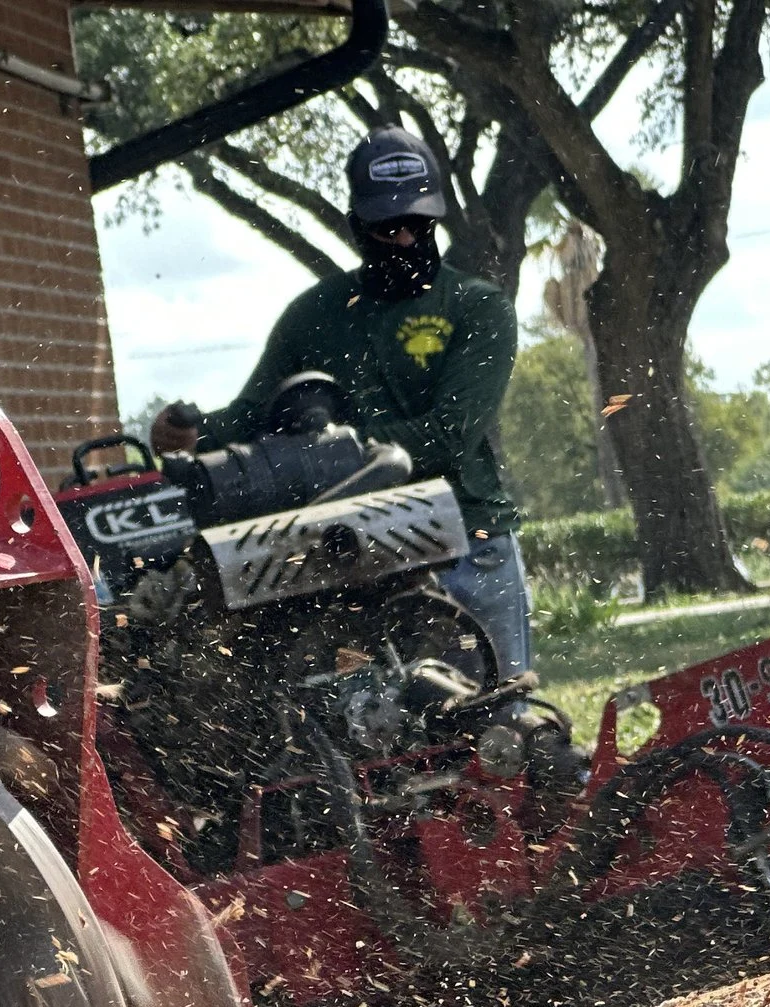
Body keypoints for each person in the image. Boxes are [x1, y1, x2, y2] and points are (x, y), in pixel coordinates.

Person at [152, 128, 532, 678]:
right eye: (388, 227)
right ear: (357, 225)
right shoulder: (313, 316)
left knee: (502, 722)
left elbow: (452, 432)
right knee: (375, 728)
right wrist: (195, 434)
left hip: (468, 540)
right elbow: (251, 416)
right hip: (349, 551)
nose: (404, 240)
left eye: (419, 224)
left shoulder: (478, 308)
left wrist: (336, 452)